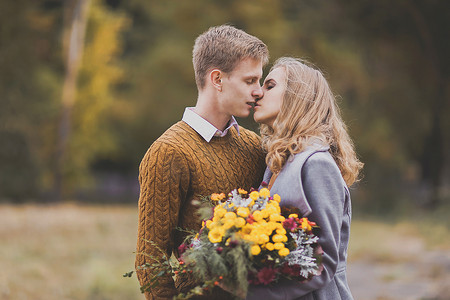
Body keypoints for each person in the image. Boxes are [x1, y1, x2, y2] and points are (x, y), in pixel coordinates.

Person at [135, 25, 269, 300]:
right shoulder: (168, 152)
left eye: (260, 81)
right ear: (217, 79)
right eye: (250, 81)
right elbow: (150, 260)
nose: (259, 92)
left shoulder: (255, 147)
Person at [247, 57, 363, 300]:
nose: (257, 93)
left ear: (296, 96)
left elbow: (323, 261)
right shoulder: (278, 161)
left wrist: (257, 293)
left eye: (270, 86)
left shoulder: (316, 163)